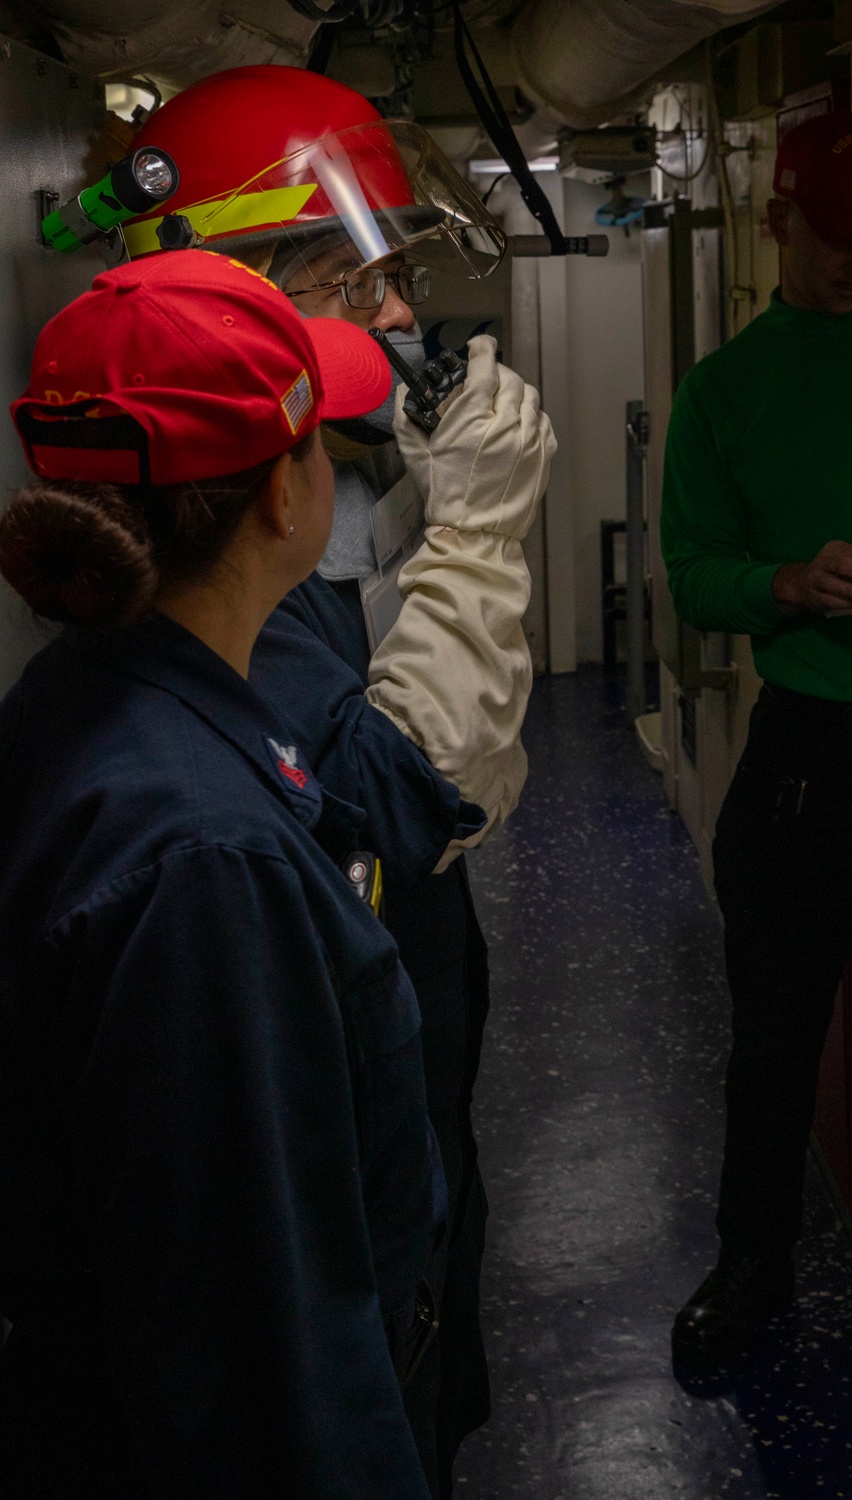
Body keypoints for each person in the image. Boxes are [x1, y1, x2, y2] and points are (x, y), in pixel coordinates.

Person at [116, 66, 553, 1494]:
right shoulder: (221, 613)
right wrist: (481, 531)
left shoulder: (267, 552)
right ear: (240, 308)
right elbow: (408, 795)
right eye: (357, 285)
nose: (401, 318)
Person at [0, 249, 444, 1499]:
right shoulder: (207, 869)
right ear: (277, 498)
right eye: (319, 448)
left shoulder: (80, 700)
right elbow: (267, 1365)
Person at [661, 110, 852, 1370]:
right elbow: (695, 574)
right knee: (773, 1029)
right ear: (777, 223)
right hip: (811, 738)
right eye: (834, 234)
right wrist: (783, 583)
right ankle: (752, 1262)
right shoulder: (724, 392)